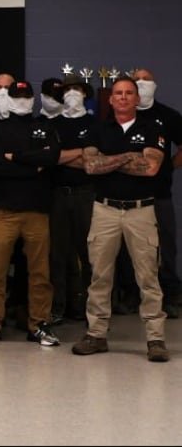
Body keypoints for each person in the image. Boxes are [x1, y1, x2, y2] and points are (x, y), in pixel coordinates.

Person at [71, 77, 169, 363]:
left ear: (137, 99)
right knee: (100, 275)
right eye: (118, 93)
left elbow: (150, 168)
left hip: (141, 211)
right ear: (110, 99)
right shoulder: (97, 129)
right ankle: (97, 334)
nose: (123, 97)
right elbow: (90, 166)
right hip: (105, 211)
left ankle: (155, 338)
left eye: (129, 93)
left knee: (148, 276)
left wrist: (109, 160)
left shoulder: (153, 128)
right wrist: (129, 156)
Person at [0, 80, 62, 347]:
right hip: (3, 210)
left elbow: (51, 159)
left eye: (27, 95)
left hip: (37, 210)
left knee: (40, 271)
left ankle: (39, 323)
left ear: (33, 98)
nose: (23, 99)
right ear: (8, 98)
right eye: (18, 95)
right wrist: (31, 164)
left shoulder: (44, 126)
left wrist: (14, 157)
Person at [129, 68, 182, 318]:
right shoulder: (122, 116)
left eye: (146, 79)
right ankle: (129, 295)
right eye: (137, 79)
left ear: (155, 84)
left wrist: (169, 165)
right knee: (128, 249)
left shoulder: (168, 116)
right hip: (128, 196)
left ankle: (171, 295)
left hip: (159, 193)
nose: (141, 83)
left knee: (166, 246)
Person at [49, 74, 97, 322]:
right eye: (67, 90)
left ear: (85, 93)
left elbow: (94, 163)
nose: (72, 93)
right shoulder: (52, 124)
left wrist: (65, 155)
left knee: (90, 254)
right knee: (58, 254)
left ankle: (91, 309)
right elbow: (51, 158)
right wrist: (81, 153)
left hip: (86, 195)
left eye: (77, 89)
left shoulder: (95, 125)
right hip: (57, 195)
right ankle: (59, 307)